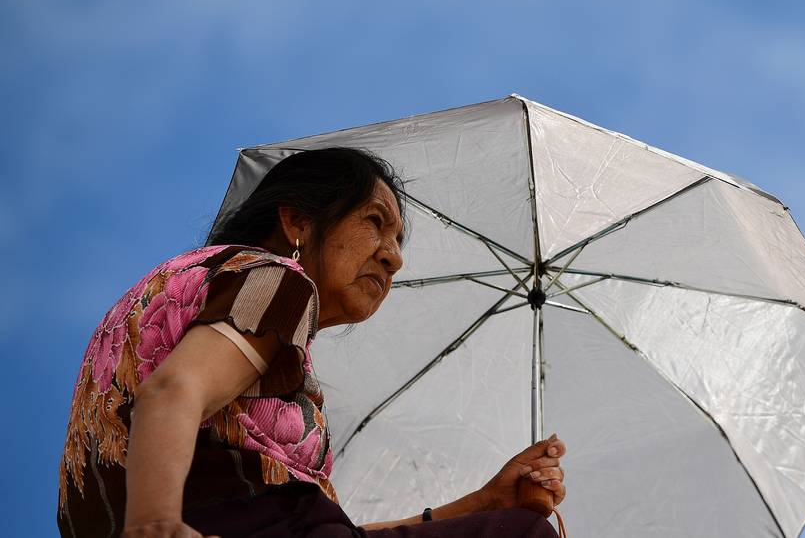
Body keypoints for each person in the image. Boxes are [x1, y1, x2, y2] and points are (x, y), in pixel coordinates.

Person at [58, 148, 566, 538]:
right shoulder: (279, 282)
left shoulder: (188, 284)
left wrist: (485, 504)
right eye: (374, 222)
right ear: (298, 221)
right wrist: (155, 524)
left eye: (399, 240)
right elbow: (171, 393)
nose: (393, 258)